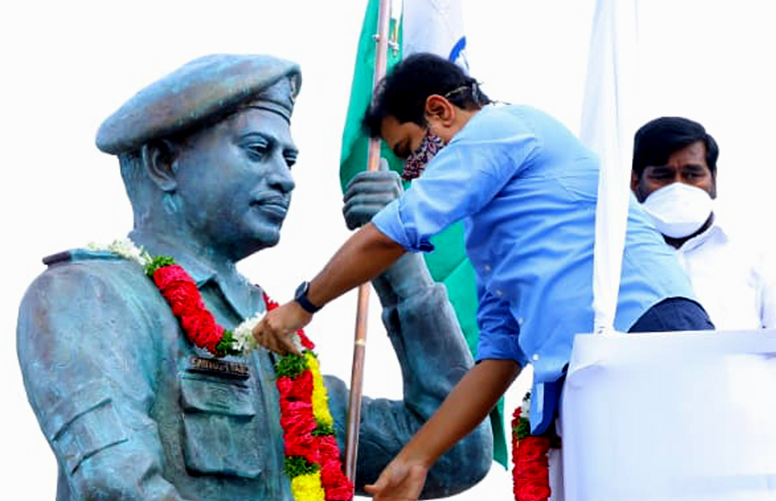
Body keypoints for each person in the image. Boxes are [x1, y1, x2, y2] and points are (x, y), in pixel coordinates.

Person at [16, 53, 492, 501]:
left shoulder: (275, 341)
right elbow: (117, 483)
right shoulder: (89, 295)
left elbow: (457, 456)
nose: (285, 179)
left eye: (289, 160)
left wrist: (397, 258)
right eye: (258, 150)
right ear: (165, 163)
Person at [253, 52, 715, 500]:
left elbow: (391, 234)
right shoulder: (487, 233)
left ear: (440, 111)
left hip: (647, 330)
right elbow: (498, 358)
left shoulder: (502, 129)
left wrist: (302, 305)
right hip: (588, 367)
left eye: (409, 154)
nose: (411, 174)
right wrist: (416, 458)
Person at [632, 116, 776, 331]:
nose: (678, 187)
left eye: (692, 174)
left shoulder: (758, 254)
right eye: (662, 176)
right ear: (635, 183)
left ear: (713, 180)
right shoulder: (613, 261)